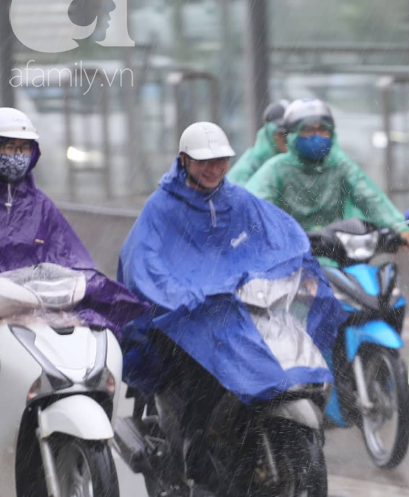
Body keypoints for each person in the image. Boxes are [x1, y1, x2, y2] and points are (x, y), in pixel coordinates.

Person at [118, 121, 344, 461]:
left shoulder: (237, 200)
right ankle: (194, 445)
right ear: (183, 160)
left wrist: (297, 265)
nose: (214, 169)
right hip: (187, 315)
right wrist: (182, 294)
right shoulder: (161, 207)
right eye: (204, 161)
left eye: (221, 160)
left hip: (234, 306)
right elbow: (145, 263)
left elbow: (278, 235)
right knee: (202, 373)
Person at [0, 107, 143, 337]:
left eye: (24, 147)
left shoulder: (41, 206)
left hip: (37, 317)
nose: (18, 155)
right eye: (10, 147)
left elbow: (70, 258)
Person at [246, 98, 409, 248]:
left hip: (339, 252)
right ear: (291, 135)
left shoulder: (339, 165)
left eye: (323, 129)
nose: (317, 136)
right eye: (308, 130)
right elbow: (257, 207)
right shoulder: (276, 169)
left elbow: (370, 197)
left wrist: (400, 227)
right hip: (290, 257)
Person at [226, 99, 291, 186]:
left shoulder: (299, 161)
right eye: (282, 133)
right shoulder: (251, 163)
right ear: (269, 133)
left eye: (291, 132)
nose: (287, 138)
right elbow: (235, 194)